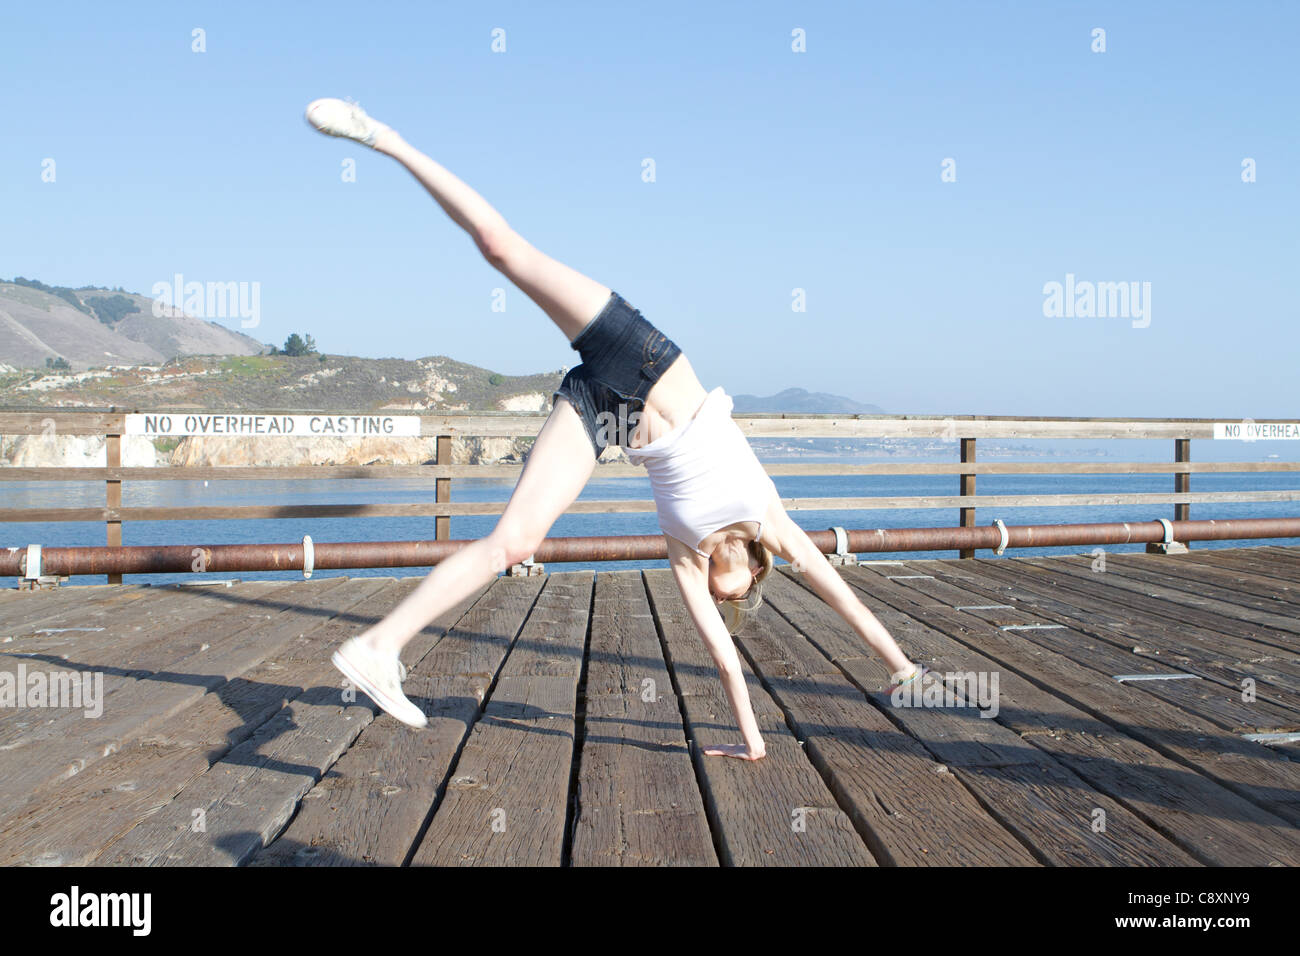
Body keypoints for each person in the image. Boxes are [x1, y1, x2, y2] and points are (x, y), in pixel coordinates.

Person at [308, 99, 922, 760]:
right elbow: (844, 600)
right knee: (502, 250)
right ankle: (388, 139)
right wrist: (902, 670)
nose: (724, 597)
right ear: (752, 569)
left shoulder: (687, 556)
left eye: (722, 600)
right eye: (735, 593)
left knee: (513, 543)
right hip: (647, 360)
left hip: (607, 414)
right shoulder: (769, 523)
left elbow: (723, 658)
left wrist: (754, 745)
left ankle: (379, 647)